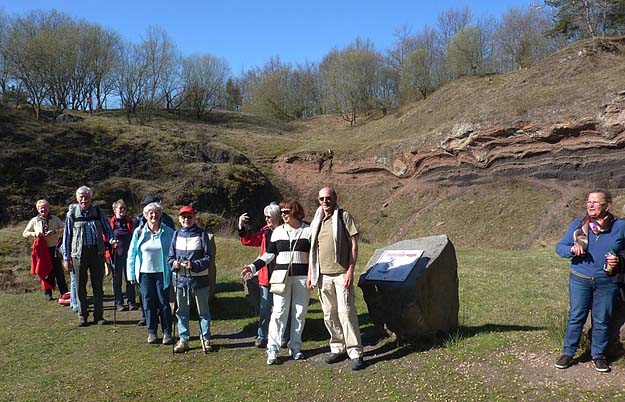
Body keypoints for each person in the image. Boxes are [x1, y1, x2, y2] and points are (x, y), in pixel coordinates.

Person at [555, 189, 625, 373]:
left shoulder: (620, 226)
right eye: (588, 202)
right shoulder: (579, 225)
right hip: (580, 279)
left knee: (602, 320)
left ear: (607, 206)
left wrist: (619, 260)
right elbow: (560, 247)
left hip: (607, 281)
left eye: (595, 202)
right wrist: (571, 249)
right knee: (576, 317)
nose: (590, 205)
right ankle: (568, 353)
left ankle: (598, 355)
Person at [241, 199, 312, 365]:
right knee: (279, 312)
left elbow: (314, 256)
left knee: (299, 313)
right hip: (281, 278)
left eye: (286, 212)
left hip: (302, 278)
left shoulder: (308, 230)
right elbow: (269, 254)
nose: (283, 215)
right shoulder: (277, 232)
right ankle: (272, 350)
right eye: (282, 212)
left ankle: (295, 347)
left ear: (296, 212)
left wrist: (313, 276)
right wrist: (253, 267)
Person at [309, 187, 364, 371]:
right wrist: (311, 274)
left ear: (335, 198)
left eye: (328, 198)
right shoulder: (316, 220)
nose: (325, 201)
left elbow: (354, 245)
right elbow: (313, 250)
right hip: (322, 275)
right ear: (318, 201)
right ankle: (337, 347)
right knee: (329, 314)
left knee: (346, 312)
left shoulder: (343, 216)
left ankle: (355, 352)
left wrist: (350, 270)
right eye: (322, 199)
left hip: (341, 274)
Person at [62, 186, 116, 326]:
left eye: (86, 196)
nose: (84, 199)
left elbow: (108, 230)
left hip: (97, 252)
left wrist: (112, 240)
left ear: (91, 198)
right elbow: (66, 236)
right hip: (78, 254)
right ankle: (82, 316)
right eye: (81, 196)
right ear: (77, 198)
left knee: (98, 285)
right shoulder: (72, 213)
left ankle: (99, 316)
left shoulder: (98, 211)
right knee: (80, 286)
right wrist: (66, 257)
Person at [238, 203, 288, 348]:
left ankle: (284, 336)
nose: (267, 219)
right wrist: (241, 226)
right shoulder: (265, 231)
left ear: (277, 217)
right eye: (266, 217)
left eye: (269, 217)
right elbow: (249, 240)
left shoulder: (286, 231)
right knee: (265, 307)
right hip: (266, 275)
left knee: (283, 307)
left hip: (282, 274)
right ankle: (262, 336)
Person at [127, 202, 174, 345]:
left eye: (156, 213)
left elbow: (174, 252)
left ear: (160, 215)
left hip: (162, 272)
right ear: (146, 216)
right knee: (148, 303)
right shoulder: (139, 232)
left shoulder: (169, 232)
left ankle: (167, 332)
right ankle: (152, 332)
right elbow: (132, 254)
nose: (154, 215)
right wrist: (131, 274)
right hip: (144, 274)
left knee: (164, 304)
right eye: (150, 213)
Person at [168, 205, 214, 353]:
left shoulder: (202, 234)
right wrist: (173, 264)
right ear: (179, 218)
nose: (186, 219)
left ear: (194, 217)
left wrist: (194, 264)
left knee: (203, 311)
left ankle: (205, 339)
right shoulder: (176, 234)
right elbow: (170, 258)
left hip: (199, 279)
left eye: (189, 216)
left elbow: (208, 258)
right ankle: (184, 340)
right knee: (181, 311)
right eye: (183, 217)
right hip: (180, 279)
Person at [23, 199, 67, 301]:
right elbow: (25, 233)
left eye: (45, 207)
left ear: (48, 208)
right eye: (41, 208)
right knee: (45, 271)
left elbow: (65, 229)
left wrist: (55, 231)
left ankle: (64, 293)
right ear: (38, 209)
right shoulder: (34, 221)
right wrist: (35, 234)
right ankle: (48, 293)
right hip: (42, 250)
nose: (43, 209)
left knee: (59, 271)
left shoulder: (55, 219)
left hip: (54, 249)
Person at [107, 199, 136, 311]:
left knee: (130, 279)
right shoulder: (111, 224)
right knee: (117, 280)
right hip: (116, 256)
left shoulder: (130, 222)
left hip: (129, 256)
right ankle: (119, 302)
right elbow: (105, 238)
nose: (122, 210)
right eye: (120, 208)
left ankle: (131, 302)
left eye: (124, 208)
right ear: (115, 210)